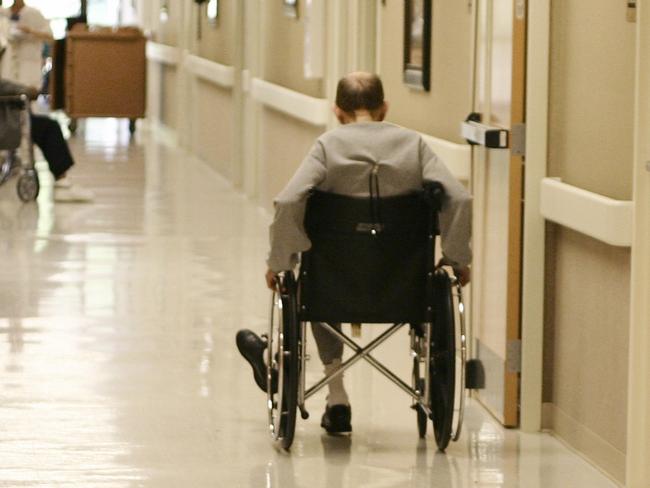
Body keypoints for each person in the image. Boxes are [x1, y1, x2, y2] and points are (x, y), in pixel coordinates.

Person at [236, 72, 472, 435]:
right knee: (321, 274)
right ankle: (316, 385)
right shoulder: (413, 146)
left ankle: (336, 395)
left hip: (332, 287)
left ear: (337, 111)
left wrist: (279, 263)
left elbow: (288, 201)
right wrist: (457, 260)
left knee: (312, 278)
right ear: (384, 108)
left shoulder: (328, 148)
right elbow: (458, 198)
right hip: (405, 287)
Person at [0, 77, 93, 202]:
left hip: (8, 120)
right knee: (50, 128)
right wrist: (26, 90)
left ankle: (62, 181)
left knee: (42, 125)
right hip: (6, 125)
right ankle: (62, 183)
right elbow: (4, 87)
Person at [0, 0, 53, 89]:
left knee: (29, 94)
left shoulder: (34, 13)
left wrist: (30, 31)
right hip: (7, 67)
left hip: (28, 67)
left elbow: (50, 38)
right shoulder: (3, 13)